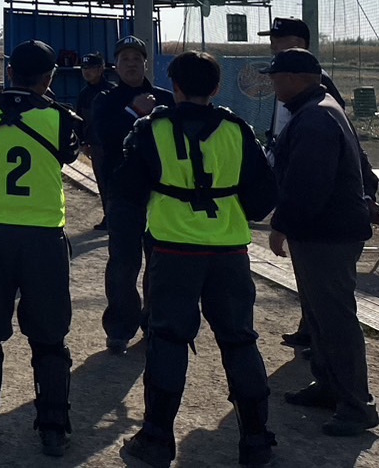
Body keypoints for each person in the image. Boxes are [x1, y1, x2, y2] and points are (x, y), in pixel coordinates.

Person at [116, 51, 279, 467]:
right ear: (217, 87)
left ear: (174, 87)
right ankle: (256, 440)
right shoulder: (237, 129)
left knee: (168, 340)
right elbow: (263, 198)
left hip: (174, 250)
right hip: (229, 251)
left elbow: (128, 192)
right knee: (240, 340)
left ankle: (156, 439)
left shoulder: (151, 129)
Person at [0, 40, 83, 457]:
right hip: (43, 236)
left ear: (9, 71)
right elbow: (69, 154)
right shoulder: (59, 118)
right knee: (50, 336)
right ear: (49, 77)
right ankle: (54, 428)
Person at [266, 48, 379, 437]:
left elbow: (308, 184)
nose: (273, 83)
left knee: (335, 320)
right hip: (327, 231)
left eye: (276, 76)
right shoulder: (322, 108)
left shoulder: (314, 117)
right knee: (319, 317)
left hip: (326, 234)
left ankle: (357, 405)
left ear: (295, 78)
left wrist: (281, 225)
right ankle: (330, 386)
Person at [93, 35, 172, 352]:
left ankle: (154, 323)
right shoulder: (106, 100)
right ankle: (120, 327)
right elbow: (105, 136)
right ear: (115, 65)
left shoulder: (165, 98)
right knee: (123, 264)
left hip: (162, 195)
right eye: (124, 59)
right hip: (123, 194)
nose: (131, 64)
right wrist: (133, 111)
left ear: (145, 63)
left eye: (136, 58)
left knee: (160, 263)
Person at [76, 52, 114, 229]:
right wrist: (84, 143)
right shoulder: (84, 94)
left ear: (100, 69)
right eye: (84, 68)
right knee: (103, 183)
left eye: (90, 68)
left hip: (113, 146)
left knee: (115, 183)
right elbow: (80, 120)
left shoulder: (112, 91)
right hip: (96, 146)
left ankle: (117, 217)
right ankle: (109, 217)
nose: (86, 72)